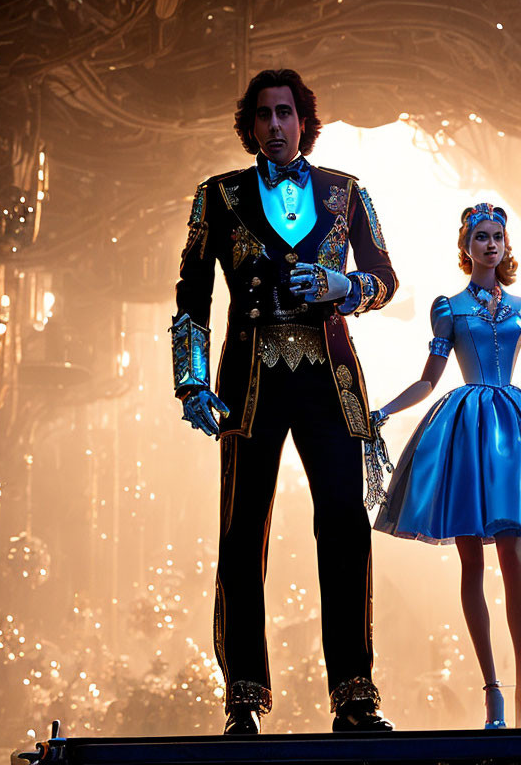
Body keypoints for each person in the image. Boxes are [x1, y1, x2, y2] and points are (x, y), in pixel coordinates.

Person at [170, 68, 397, 733]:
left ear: (305, 121)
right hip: (249, 382)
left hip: (330, 381)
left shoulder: (347, 193)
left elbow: (385, 280)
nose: (275, 125)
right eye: (264, 114)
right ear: (250, 124)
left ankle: (355, 694)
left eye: (286, 113)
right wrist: (189, 380)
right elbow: (191, 293)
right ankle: (243, 697)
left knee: (346, 530)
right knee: (243, 537)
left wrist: (343, 284)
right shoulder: (217, 195)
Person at [374, 203, 521, 729]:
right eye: (480, 237)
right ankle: (493, 693)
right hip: (468, 431)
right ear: (467, 246)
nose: (489, 244)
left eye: (497, 236)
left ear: (505, 245)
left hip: (512, 429)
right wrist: (385, 410)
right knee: (473, 565)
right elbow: (429, 380)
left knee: (516, 563)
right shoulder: (450, 308)